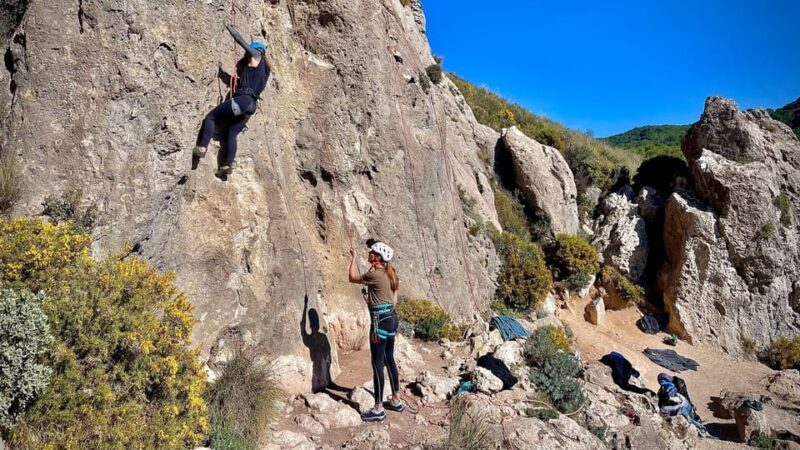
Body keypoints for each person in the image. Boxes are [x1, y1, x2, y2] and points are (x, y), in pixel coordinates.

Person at [193, 24, 271, 175]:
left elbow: (240, 40)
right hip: (251, 106)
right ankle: (226, 166)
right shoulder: (265, 70)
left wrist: (228, 27)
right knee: (231, 133)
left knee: (211, 117)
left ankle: (202, 147)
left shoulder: (256, 56)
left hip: (243, 100)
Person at [348, 239, 404, 422]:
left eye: (371, 252)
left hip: (380, 321)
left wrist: (353, 258)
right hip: (391, 318)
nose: (369, 253)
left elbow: (352, 277)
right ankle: (396, 399)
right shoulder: (389, 274)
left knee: (378, 363)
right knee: (389, 359)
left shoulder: (375, 275)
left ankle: (378, 408)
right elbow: (392, 298)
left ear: (377, 257)